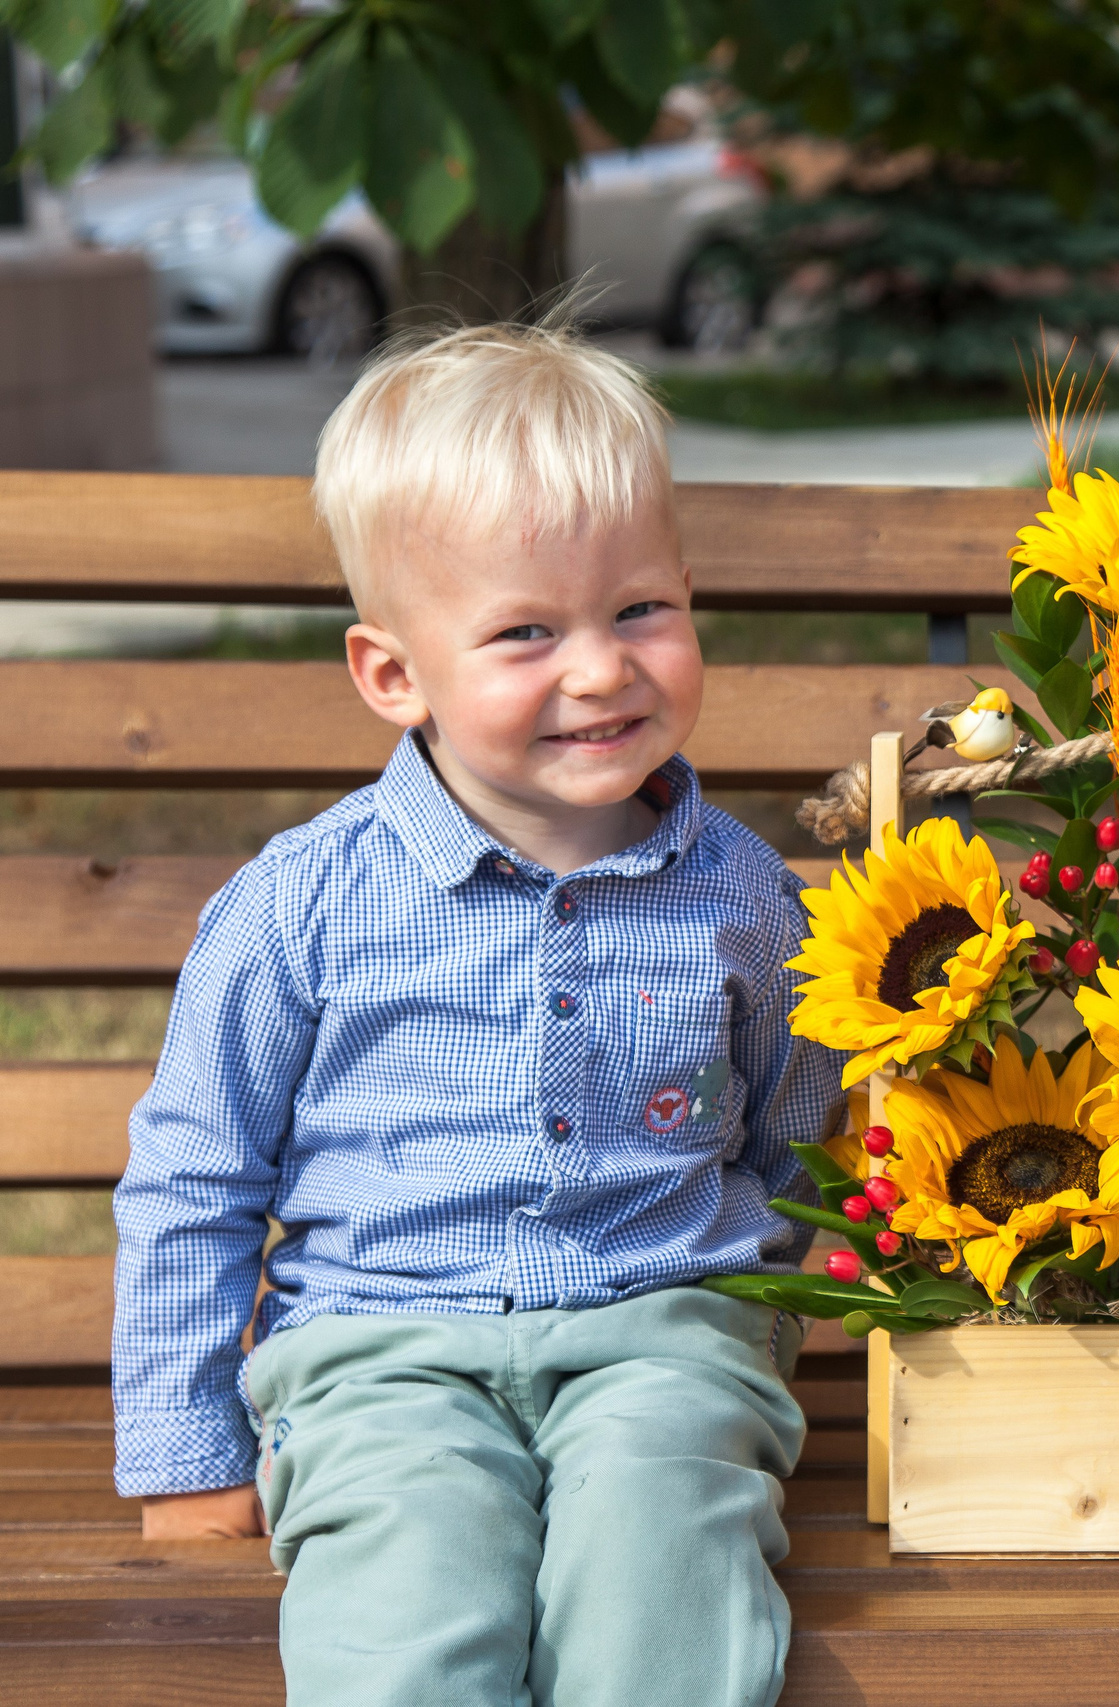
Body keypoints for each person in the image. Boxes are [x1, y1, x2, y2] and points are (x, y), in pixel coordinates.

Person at [111, 319, 840, 1707]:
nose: (600, 670)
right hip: (381, 1355)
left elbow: (789, 1126)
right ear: (394, 674)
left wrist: (752, 1311)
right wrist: (187, 1454)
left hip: (660, 1333)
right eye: (525, 633)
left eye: (641, 610)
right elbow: (197, 1178)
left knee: (661, 1564)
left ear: (691, 597)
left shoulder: (744, 898)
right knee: (408, 1604)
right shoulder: (301, 906)